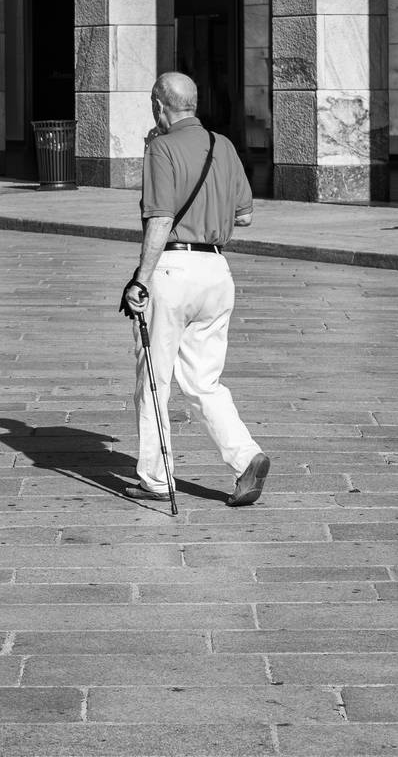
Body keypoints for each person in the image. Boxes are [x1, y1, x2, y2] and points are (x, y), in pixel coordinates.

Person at [119, 71, 270, 508]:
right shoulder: (223, 145)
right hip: (217, 270)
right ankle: (246, 458)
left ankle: (155, 477)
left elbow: (160, 218)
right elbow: (244, 216)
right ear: (195, 104)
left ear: (157, 105)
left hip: (173, 268)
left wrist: (140, 279)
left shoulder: (160, 148)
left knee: (154, 378)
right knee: (204, 381)